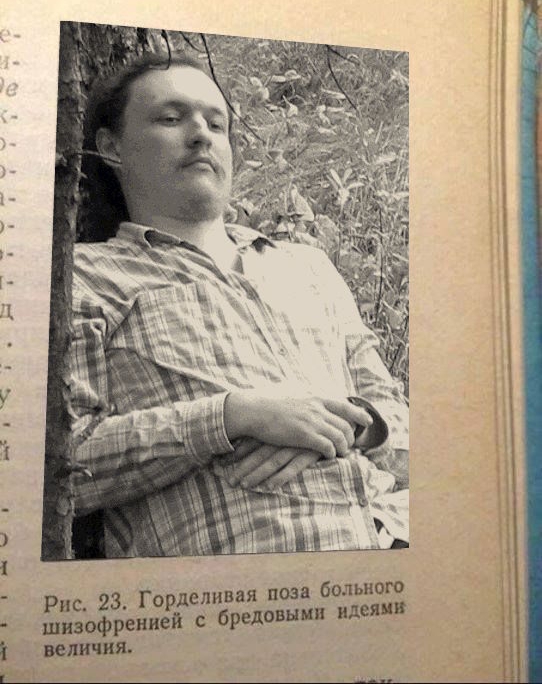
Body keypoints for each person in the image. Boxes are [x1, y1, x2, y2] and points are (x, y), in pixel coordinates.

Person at [69, 50, 409, 558]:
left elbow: (404, 429)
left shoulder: (307, 267)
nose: (201, 135)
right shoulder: (82, 276)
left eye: (216, 123)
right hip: (245, 584)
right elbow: (63, 470)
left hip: (399, 547)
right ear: (111, 147)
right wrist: (231, 417)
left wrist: (346, 425)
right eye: (171, 118)